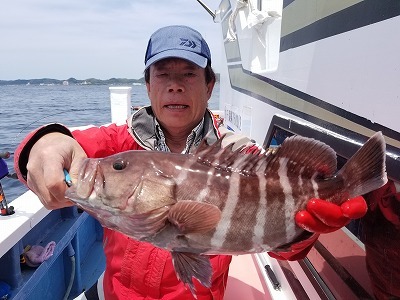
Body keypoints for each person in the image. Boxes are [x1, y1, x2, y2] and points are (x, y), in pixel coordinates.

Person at [13, 25, 367, 299]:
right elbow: (54, 150)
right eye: (163, 75)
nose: (175, 86)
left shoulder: (240, 155)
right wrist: (44, 142)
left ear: (210, 85)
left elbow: (280, 248)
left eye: (188, 74)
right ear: (148, 87)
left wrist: (303, 233)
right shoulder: (117, 146)